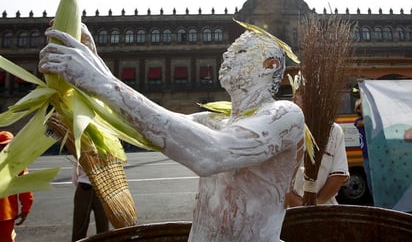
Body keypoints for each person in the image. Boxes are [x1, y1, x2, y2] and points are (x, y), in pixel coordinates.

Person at [39, 24, 305, 242]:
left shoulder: (284, 115)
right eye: (230, 50)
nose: (226, 56)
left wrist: (102, 81)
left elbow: (211, 154)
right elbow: (147, 125)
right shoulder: (215, 120)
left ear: (270, 65)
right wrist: (95, 63)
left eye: (241, 51)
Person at [286, 92, 349, 206]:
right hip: (290, 211)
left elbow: (339, 175)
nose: (295, 100)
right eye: (295, 96)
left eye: (302, 96)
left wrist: (316, 204)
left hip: (324, 209)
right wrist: (295, 202)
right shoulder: (287, 131)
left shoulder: (333, 131)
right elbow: (276, 179)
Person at [0, 131, 34, 242]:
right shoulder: (17, 162)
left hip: (6, 212)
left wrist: (26, 208)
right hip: (6, 212)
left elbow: (24, 187)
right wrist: (26, 209)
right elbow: (25, 186)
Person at [71, 161, 109, 241]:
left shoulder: (80, 151)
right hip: (101, 189)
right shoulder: (107, 152)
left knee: (79, 226)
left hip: (84, 189)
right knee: (103, 228)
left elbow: (74, 178)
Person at [354, 99, 372, 194]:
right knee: (370, 181)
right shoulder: (358, 121)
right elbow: (362, 123)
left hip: (374, 155)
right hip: (366, 156)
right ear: (358, 110)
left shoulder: (371, 119)